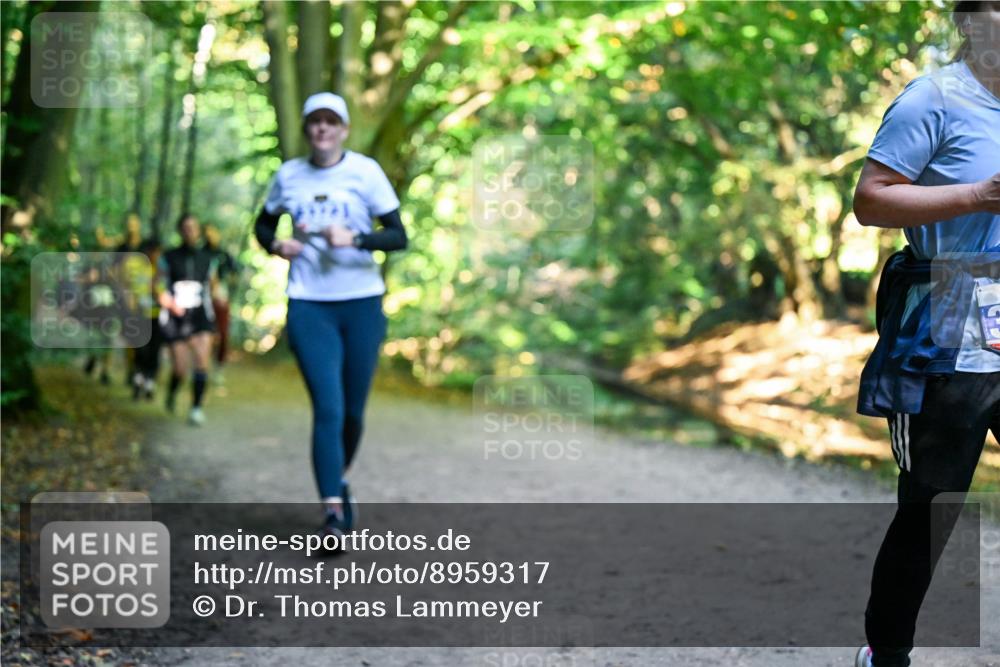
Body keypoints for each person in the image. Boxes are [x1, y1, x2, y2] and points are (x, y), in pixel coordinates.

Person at [852, 2, 1000, 666]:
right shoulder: (934, 99)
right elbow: (870, 198)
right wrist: (977, 196)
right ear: (969, 22)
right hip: (946, 335)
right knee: (931, 511)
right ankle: (886, 656)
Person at [253, 91, 407, 542]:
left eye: (330, 121)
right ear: (307, 130)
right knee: (329, 407)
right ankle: (333, 514)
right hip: (309, 304)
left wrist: (356, 239)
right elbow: (263, 225)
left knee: (353, 414)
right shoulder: (289, 175)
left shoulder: (366, 172)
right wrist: (276, 245)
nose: (322, 128)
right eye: (314, 121)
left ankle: (338, 477)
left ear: (343, 130)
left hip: (361, 303)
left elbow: (398, 236)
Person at [156, 213, 219, 426]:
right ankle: (172, 391)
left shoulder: (208, 258)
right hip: (176, 318)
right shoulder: (168, 257)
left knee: (202, 361)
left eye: (193, 227)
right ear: (180, 231)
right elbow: (158, 286)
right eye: (186, 228)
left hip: (201, 316)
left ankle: (196, 408)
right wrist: (170, 303)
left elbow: (214, 285)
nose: (190, 231)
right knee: (180, 369)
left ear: (198, 231)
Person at [202, 224, 238, 380]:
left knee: (222, 333)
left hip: (221, 297)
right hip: (203, 298)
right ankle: (202, 365)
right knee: (205, 333)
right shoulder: (201, 253)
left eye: (212, 232)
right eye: (207, 232)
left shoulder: (224, 254)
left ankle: (219, 367)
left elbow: (234, 274)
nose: (210, 235)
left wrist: (225, 289)